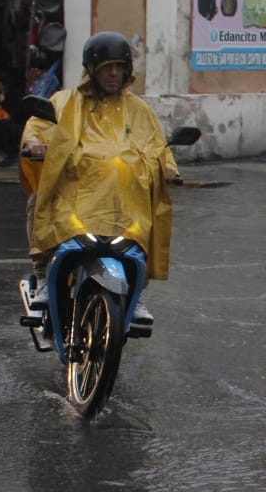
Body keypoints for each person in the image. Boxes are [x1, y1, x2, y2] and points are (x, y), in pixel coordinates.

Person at [20, 32, 183, 328]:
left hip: (125, 206)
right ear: (92, 69)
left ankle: (137, 293)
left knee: (149, 220)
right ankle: (44, 275)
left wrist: (169, 166)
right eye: (107, 67)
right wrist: (34, 144)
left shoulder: (139, 110)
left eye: (119, 67)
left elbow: (157, 144)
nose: (113, 73)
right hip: (75, 201)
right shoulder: (65, 101)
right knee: (39, 200)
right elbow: (39, 125)